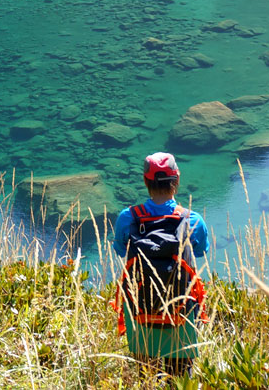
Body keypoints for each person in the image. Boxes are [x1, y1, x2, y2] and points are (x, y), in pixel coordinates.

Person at [112, 152, 210, 377]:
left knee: (145, 375)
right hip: (181, 314)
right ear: (176, 181)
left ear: (146, 181)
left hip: (140, 313)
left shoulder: (127, 218)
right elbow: (200, 252)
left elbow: (120, 250)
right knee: (180, 377)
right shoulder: (192, 219)